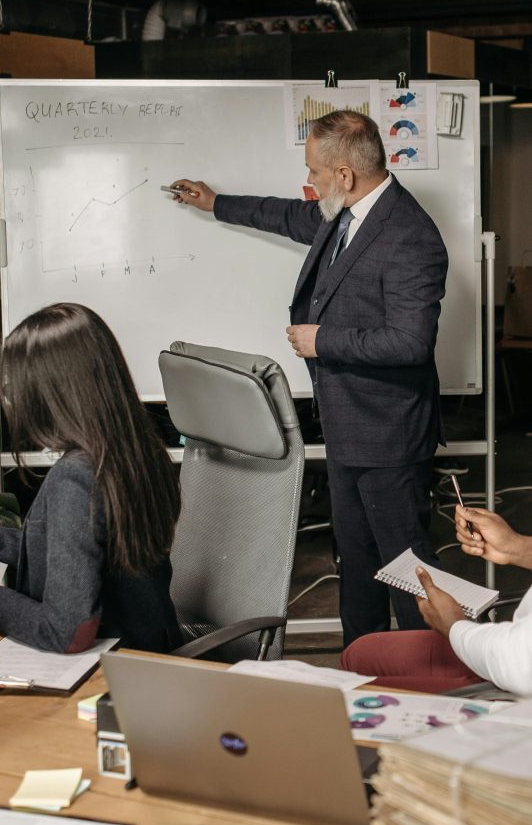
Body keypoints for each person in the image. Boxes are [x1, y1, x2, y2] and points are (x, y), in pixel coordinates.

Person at [170, 110, 448, 645]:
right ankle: (361, 665)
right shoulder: (343, 212)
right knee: (359, 566)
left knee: (408, 568)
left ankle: (431, 668)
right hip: (348, 427)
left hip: (389, 435)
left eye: (315, 172)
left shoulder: (410, 235)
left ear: (344, 174)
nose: (310, 182)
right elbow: (286, 215)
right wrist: (215, 203)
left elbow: (412, 343)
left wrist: (322, 340)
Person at [0, 302, 182, 654]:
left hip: (114, 670)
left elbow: (69, 632)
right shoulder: (136, 448)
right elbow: (80, 552)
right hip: (151, 648)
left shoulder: (76, 478)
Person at [340, 505, 532, 696]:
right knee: (357, 654)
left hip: (514, 683)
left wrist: (453, 625)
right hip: (514, 649)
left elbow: (519, 666)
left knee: (352, 694)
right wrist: (519, 549)